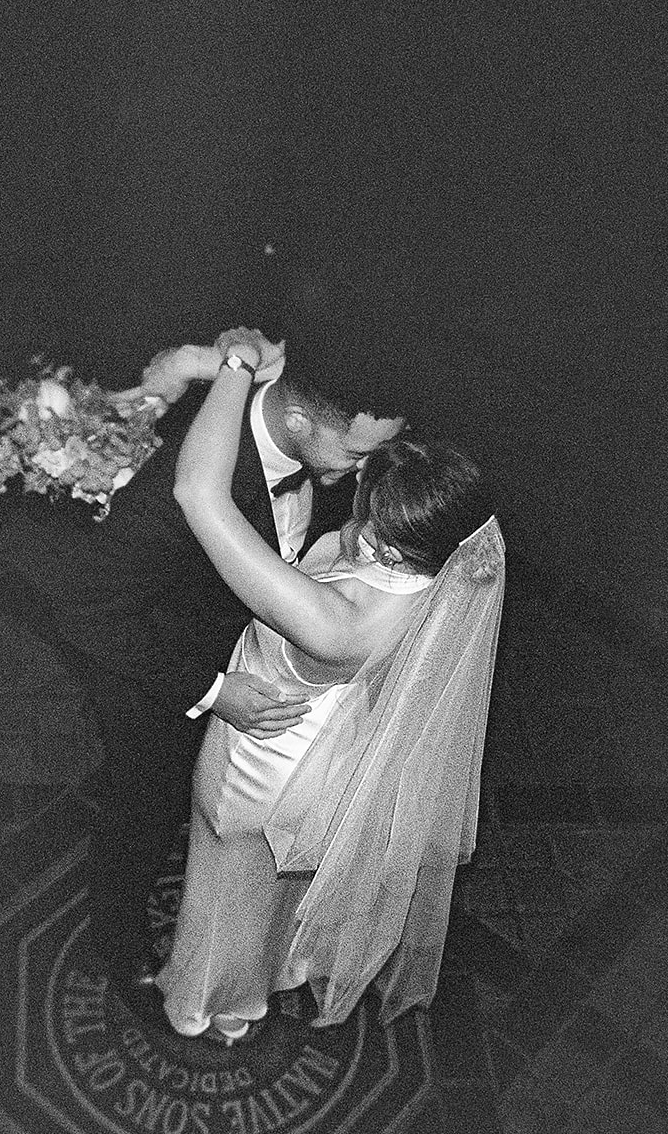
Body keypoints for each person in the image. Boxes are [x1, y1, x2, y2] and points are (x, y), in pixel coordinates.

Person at [155, 327, 506, 1045]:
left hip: (260, 764)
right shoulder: (440, 579)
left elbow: (198, 492)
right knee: (265, 888)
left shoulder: (337, 620)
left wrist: (235, 364)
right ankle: (264, 975)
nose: (349, 480)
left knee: (223, 889)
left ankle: (210, 1004)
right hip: (324, 756)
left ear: (382, 535)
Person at [52, 336, 405, 987]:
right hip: (154, 675)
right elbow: (83, 611)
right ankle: (117, 944)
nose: (363, 472)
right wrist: (212, 691)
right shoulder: (170, 496)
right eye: (357, 454)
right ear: (298, 421)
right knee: (143, 807)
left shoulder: (309, 446)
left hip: (228, 643)